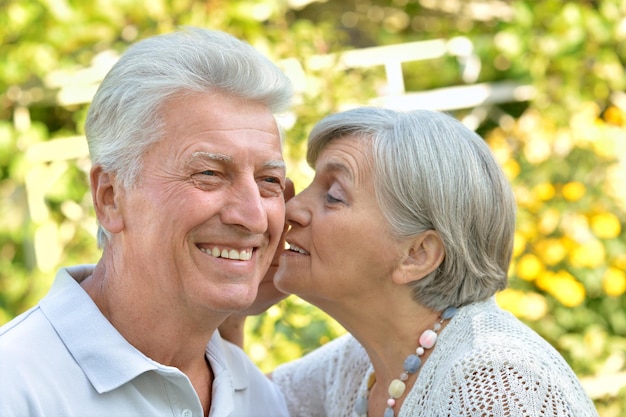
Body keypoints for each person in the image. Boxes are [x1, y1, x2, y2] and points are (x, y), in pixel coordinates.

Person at [0, 27, 294, 417]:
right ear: (110, 197)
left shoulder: (257, 396)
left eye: (268, 181)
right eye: (208, 173)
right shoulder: (16, 387)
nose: (253, 215)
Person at [232, 107, 599, 416]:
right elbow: (238, 406)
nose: (291, 207)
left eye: (333, 195)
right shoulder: (360, 363)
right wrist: (230, 307)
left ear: (416, 255)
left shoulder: (499, 385)